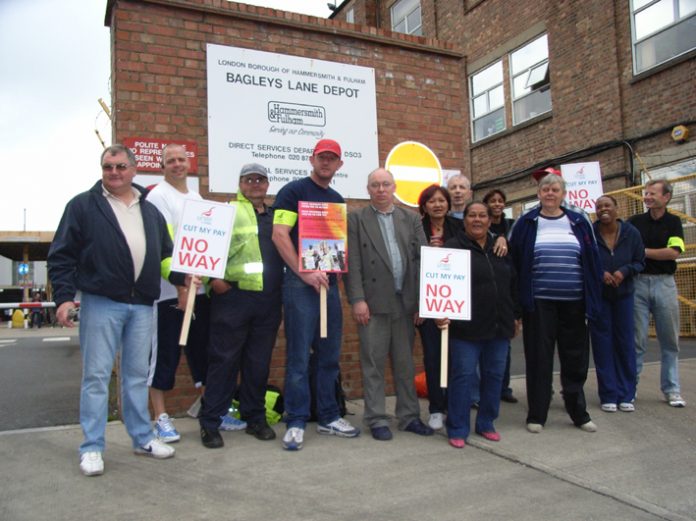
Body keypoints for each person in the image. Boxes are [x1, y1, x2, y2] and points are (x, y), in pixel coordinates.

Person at [47, 144, 183, 476]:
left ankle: (142, 438)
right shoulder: (82, 206)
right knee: (95, 376)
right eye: (108, 167)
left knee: (136, 376)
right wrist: (64, 298)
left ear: (134, 170)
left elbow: (165, 254)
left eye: (121, 166)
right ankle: (92, 447)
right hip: (101, 302)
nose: (114, 172)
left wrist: (182, 277)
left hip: (141, 305)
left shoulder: (150, 211)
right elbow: (61, 255)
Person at [272, 139, 360, 450]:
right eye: (321, 157)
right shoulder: (292, 192)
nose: (326, 163)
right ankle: (295, 420)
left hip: (329, 287)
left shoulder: (336, 200)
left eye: (331, 159)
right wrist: (304, 273)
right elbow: (279, 234)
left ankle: (328, 416)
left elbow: (335, 246)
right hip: (300, 286)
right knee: (298, 358)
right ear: (312, 159)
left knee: (329, 357)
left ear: (339, 165)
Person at [508, 173, 603, 434]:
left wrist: (593, 302)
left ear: (563, 194)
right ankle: (537, 414)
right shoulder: (526, 222)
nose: (550, 193)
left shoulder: (579, 221)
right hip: (539, 305)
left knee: (575, 360)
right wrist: (517, 308)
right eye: (545, 189)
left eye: (555, 190)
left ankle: (578, 413)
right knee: (539, 358)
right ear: (538, 194)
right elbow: (514, 266)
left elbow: (593, 263)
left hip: (574, 303)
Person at [198, 163, 284, 448]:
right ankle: (210, 422)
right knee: (224, 361)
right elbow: (206, 246)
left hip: (268, 301)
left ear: (267, 184)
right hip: (232, 299)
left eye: (261, 179)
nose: (256, 183)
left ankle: (255, 418)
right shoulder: (228, 211)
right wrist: (214, 280)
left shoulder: (275, 217)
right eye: (250, 179)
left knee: (258, 363)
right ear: (241, 183)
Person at [346, 168, 433, 441]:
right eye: (375, 185)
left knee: (405, 364)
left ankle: (409, 417)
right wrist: (358, 299)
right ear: (368, 189)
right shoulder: (356, 219)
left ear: (394, 187)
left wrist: (423, 301)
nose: (381, 189)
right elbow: (354, 263)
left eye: (385, 184)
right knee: (373, 363)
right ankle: (376, 418)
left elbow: (423, 260)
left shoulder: (411, 218)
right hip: (373, 304)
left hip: (406, 302)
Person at [437, 202, 521, 448]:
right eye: (472, 215)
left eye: (482, 216)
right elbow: (440, 283)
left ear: (489, 219)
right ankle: (457, 427)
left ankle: (486, 422)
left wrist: (516, 316)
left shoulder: (501, 248)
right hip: (466, 330)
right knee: (462, 378)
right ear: (463, 220)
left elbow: (513, 284)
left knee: (494, 376)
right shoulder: (452, 249)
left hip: (499, 327)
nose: (477, 220)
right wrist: (438, 313)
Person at [145, 143, 212, 443]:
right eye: (170, 161)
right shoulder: (158, 197)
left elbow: (204, 243)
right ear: (162, 167)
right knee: (165, 357)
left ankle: (209, 409)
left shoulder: (196, 198)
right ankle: (160, 417)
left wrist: (201, 283)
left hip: (199, 291)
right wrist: (180, 286)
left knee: (201, 353)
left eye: (180, 159)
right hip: (169, 294)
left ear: (189, 164)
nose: (176, 165)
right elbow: (164, 245)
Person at [628, 179, 686, 407]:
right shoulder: (635, 222)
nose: (647, 197)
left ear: (666, 197)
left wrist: (642, 252)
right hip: (638, 284)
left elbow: (672, 253)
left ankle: (672, 389)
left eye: (652, 193)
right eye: (646, 193)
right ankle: (629, 389)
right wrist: (649, 253)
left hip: (664, 284)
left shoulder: (674, 222)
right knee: (637, 339)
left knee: (669, 340)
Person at [590, 195, 645, 413]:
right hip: (600, 297)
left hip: (624, 295)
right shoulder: (590, 233)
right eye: (599, 206)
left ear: (616, 208)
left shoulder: (631, 233)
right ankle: (608, 394)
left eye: (607, 206)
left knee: (625, 344)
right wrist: (600, 273)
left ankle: (626, 394)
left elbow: (640, 261)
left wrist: (624, 271)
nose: (603, 209)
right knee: (602, 345)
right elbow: (585, 259)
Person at [416, 184, 462, 430]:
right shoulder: (416, 228)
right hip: (428, 303)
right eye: (431, 201)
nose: (437, 205)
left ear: (448, 204)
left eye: (441, 200)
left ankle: (453, 406)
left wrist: (499, 237)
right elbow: (410, 268)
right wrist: (419, 305)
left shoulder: (459, 227)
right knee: (433, 357)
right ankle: (435, 408)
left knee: (455, 358)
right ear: (424, 206)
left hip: (454, 302)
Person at [483, 189, 518, 404]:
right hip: (486, 287)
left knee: (503, 345)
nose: (497, 204)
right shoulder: (481, 228)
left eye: (500, 201)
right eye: (492, 200)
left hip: (506, 283)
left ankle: (503, 387)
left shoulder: (512, 225)